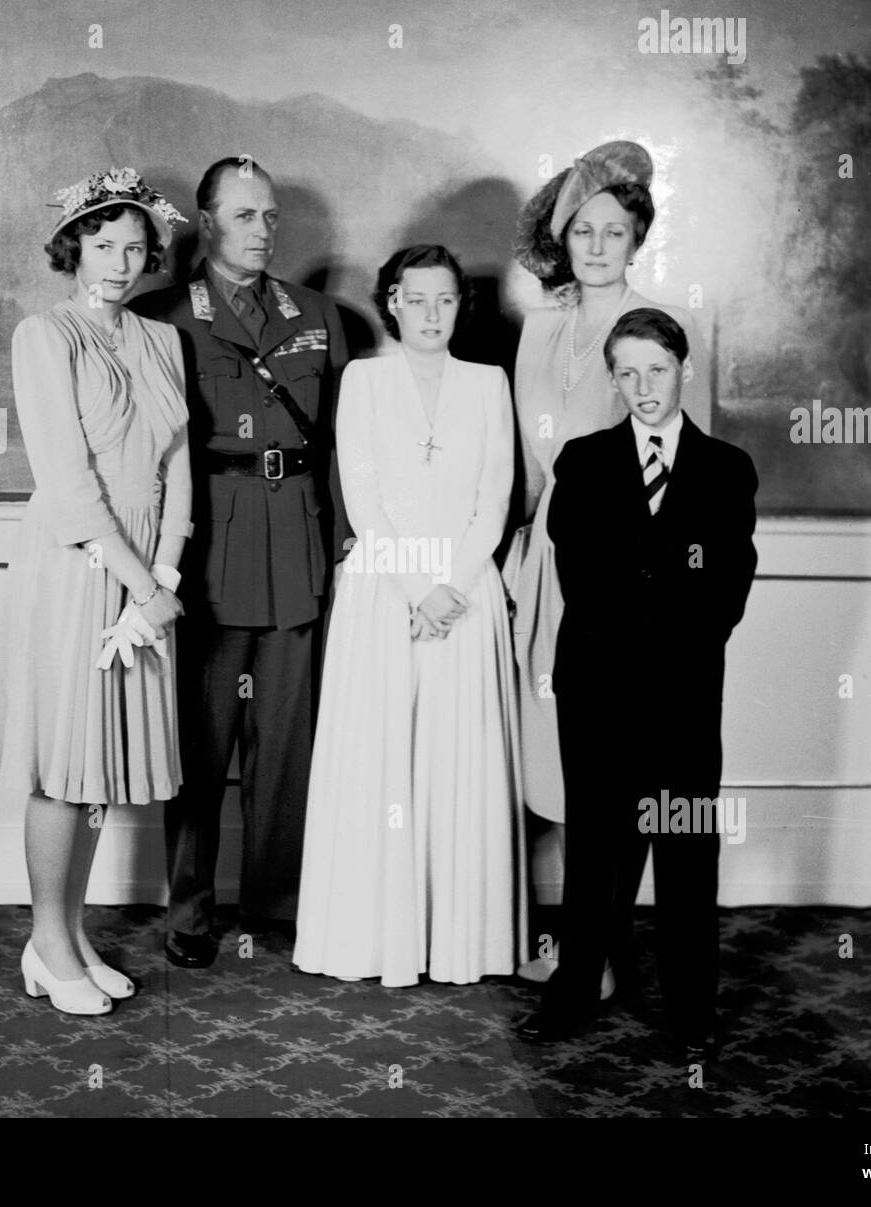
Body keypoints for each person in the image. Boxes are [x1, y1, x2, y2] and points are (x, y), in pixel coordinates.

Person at [518, 308, 757, 1060]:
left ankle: (692, 1006)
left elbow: (728, 584)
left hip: (685, 688)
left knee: (685, 845)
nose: (643, 386)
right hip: (599, 686)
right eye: (627, 372)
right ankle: (575, 990)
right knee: (596, 848)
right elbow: (582, 579)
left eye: (656, 369)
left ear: (683, 367)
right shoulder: (583, 463)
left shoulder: (725, 469)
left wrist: (673, 649)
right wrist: (638, 642)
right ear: (612, 377)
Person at [131, 157, 348, 969]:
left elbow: (336, 447)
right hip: (209, 547)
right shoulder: (162, 317)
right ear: (208, 220)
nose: (263, 230)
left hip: (295, 540)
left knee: (287, 744)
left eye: (271, 216)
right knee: (198, 743)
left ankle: (276, 903)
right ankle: (188, 909)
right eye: (245, 215)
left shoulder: (320, 315)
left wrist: (346, 542)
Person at [505, 139, 709, 988]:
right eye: (583, 230)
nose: (596, 245)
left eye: (614, 231)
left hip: (617, 573)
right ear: (565, 238)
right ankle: (570, 944)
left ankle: (599, 955)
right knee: (544, 756)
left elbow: (676, 470)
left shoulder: (653, 330)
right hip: (535, 560)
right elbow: (523, 463)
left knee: (611, 766)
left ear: (637, 240)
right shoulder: (539, 325)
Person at [291, 244, 525, 986]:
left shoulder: (489, 383)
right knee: (382, 765)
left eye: (444, 300)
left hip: (465, 597)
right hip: (384, 595)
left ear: (461, 306)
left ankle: (459, 940)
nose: (430, 314)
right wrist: (416, 589)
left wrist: (451, 585)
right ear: (391, 302)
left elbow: (496, 494)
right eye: (414, 298)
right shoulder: (363, 379)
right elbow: (362, 496)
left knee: (458, 764)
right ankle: (373, 937)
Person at [0, 168, 192, 1014]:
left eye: (135, 248)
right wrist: (144, 586)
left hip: (149, 570)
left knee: (97, 766)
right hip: (80, 566)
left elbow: (178, 464)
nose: (119, 262)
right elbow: (70, 489)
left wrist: (166, 573)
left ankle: (69, 937)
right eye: (104, 245)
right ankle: (45, 938)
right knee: (62, 767)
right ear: (74, 247)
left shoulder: (162, 339)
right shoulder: (44, 336)